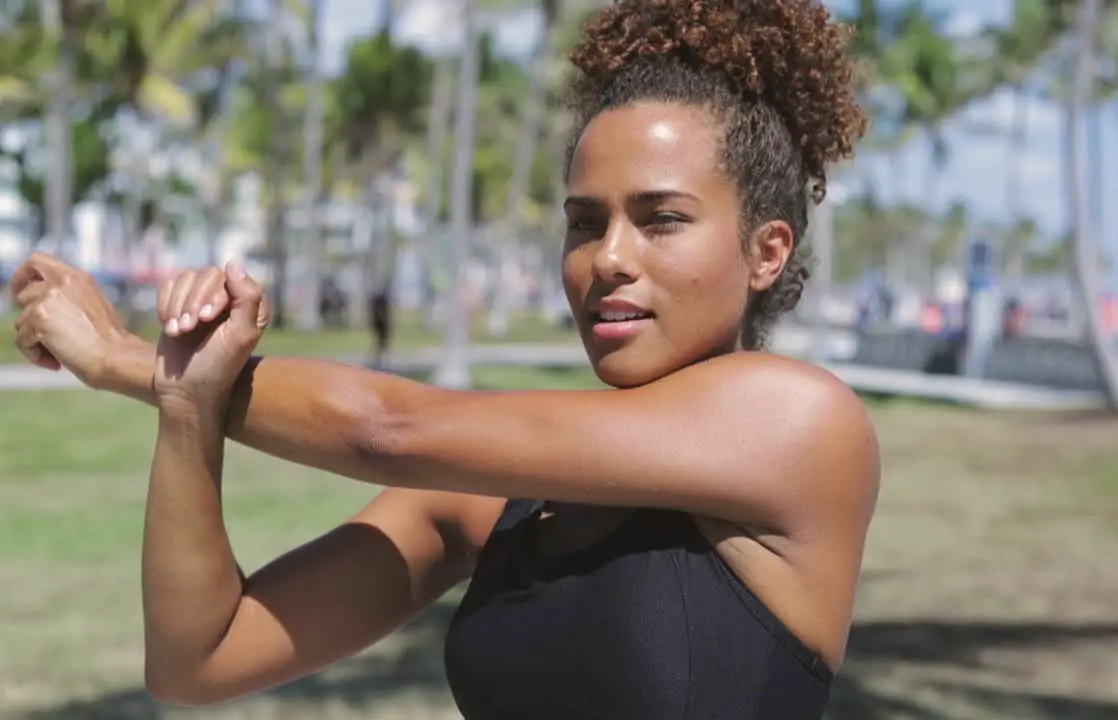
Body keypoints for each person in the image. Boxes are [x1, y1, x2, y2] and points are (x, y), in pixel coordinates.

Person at [9, 0, 878, 716]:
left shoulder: (798, 426)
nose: (608, 257)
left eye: (660, 219)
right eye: (585, 222)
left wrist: (124, 360)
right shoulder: (493, 503)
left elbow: (390, 427)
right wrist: (186, 408)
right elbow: (199, 659)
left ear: (767, 252)